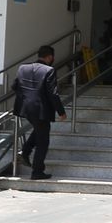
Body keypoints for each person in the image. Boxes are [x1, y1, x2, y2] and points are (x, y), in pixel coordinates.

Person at [13, 45, 67, 180]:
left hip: (25, 107)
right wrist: (61, 111)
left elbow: (14, 86)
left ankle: (25, 152)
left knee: (39, 130)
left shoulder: (22, 68)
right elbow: (53, 93)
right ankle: (37, 171)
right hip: (41, 110)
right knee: (43, 141)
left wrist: (26, 97)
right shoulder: (49, 70)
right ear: (50, 57)